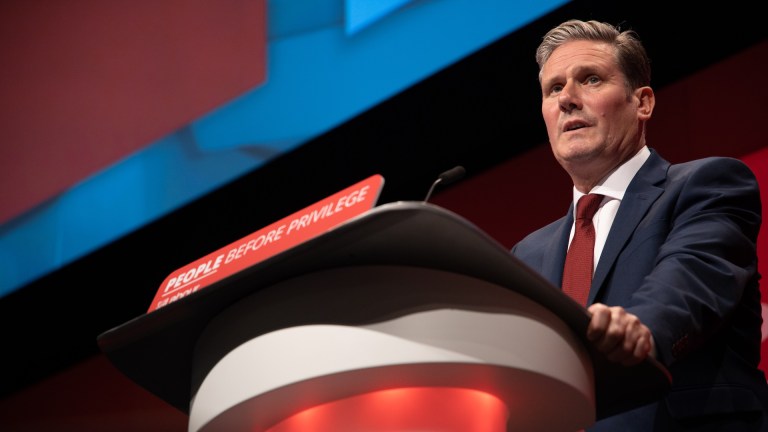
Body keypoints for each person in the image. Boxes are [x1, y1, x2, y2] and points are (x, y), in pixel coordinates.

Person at [511, 19, 768, 431]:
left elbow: (689, 280)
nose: (568, 100)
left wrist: (640, 328)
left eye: (590, 79)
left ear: (642, 102)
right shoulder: (527, 254)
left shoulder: (706, 185)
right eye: (553, 88)